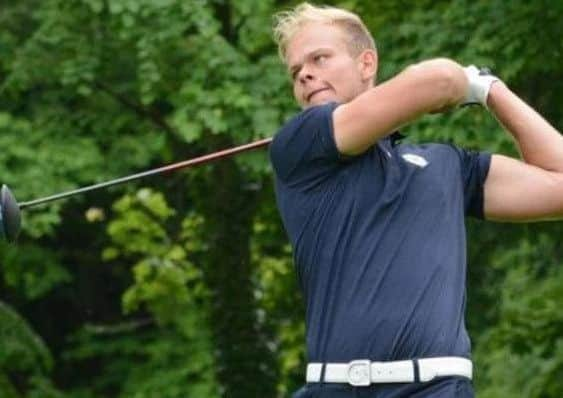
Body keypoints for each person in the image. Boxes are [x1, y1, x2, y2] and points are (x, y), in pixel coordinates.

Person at [269, 3, 563, 398]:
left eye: (319, 58)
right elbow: (439, 79)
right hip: (334, 388)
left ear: (366, 63)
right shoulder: (300, 145)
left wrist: (491, 90)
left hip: (437, 390)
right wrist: (462, 82)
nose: (304, 73)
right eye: (295, 71)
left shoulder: (448, 166)